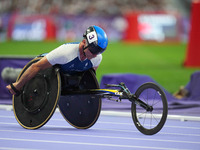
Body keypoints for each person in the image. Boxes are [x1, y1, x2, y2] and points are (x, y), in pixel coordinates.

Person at [6, 25, 108, 95]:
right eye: (93, 50)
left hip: (62, 77)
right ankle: (9, 73)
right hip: (43, 70)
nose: (95, 55)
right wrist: (17, 85)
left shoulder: (97, 58)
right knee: (15, 76)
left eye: (99, 52)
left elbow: (87, 79)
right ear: (84, 42)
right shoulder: (65, 53)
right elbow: (35, 66)